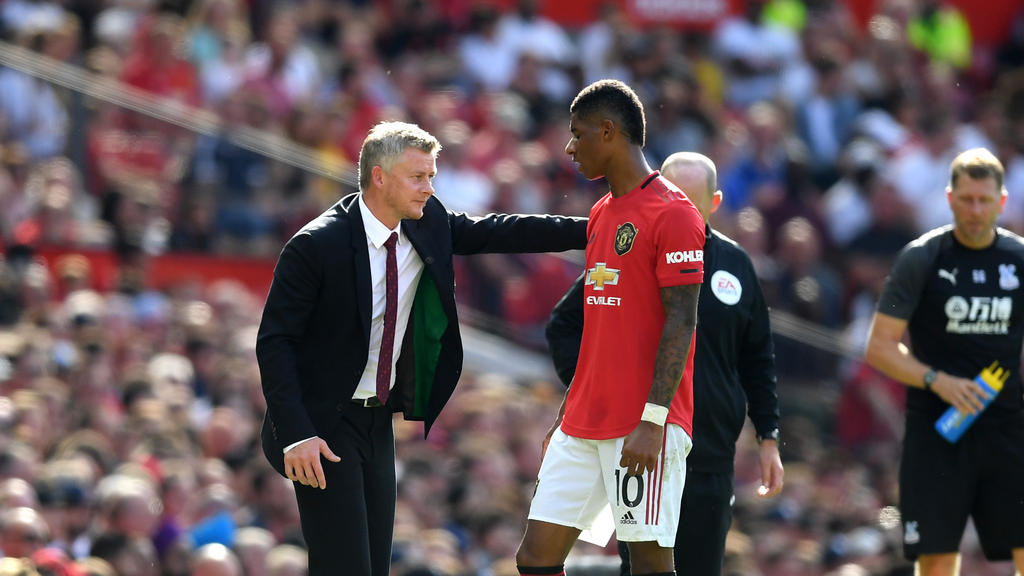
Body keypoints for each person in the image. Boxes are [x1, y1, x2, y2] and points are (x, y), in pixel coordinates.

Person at [255, 121, 587, 576]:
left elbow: (499, 231)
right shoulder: (317, 244)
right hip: (320, 423)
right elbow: (274, 342)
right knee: (343, 567)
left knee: (372, 566)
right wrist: (296, 434)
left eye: (431, 176)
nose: (429, 188)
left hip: (376, 421)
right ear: (379, 177)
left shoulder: (425, 222)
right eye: (419, 177)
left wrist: (593, 229)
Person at [546, 151, 784, 575]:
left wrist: (768, 434)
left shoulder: (737, 266)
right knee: (640, 566)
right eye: (674, 195)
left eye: (693, 201)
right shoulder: (632, 246)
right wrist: (595, 386)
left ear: (714, 203)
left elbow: (757, 358)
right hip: (642, 442)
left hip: (709, 452)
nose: (681, 209)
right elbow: (564, 326)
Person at [515, 79, 704, 576]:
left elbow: (683, 320)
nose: (569, 148)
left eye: (577, 135)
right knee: (534, 559)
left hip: (643, 424)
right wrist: (566, 409)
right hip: (584, 418)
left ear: (608, 131)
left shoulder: (675, 214)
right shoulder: (600, 212)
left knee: (647, 560)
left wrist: (653, 420)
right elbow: (601, 329)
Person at [864, 148, 1024, 575]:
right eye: (967, 199)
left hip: (1009, 427)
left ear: (1002, 201)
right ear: (950, 197)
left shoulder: (1019, 260)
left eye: (984, 200)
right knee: (936, 561)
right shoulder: (922, 258)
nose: (975, 210)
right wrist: (939, 381)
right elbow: (879, 346)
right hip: (937, 431)